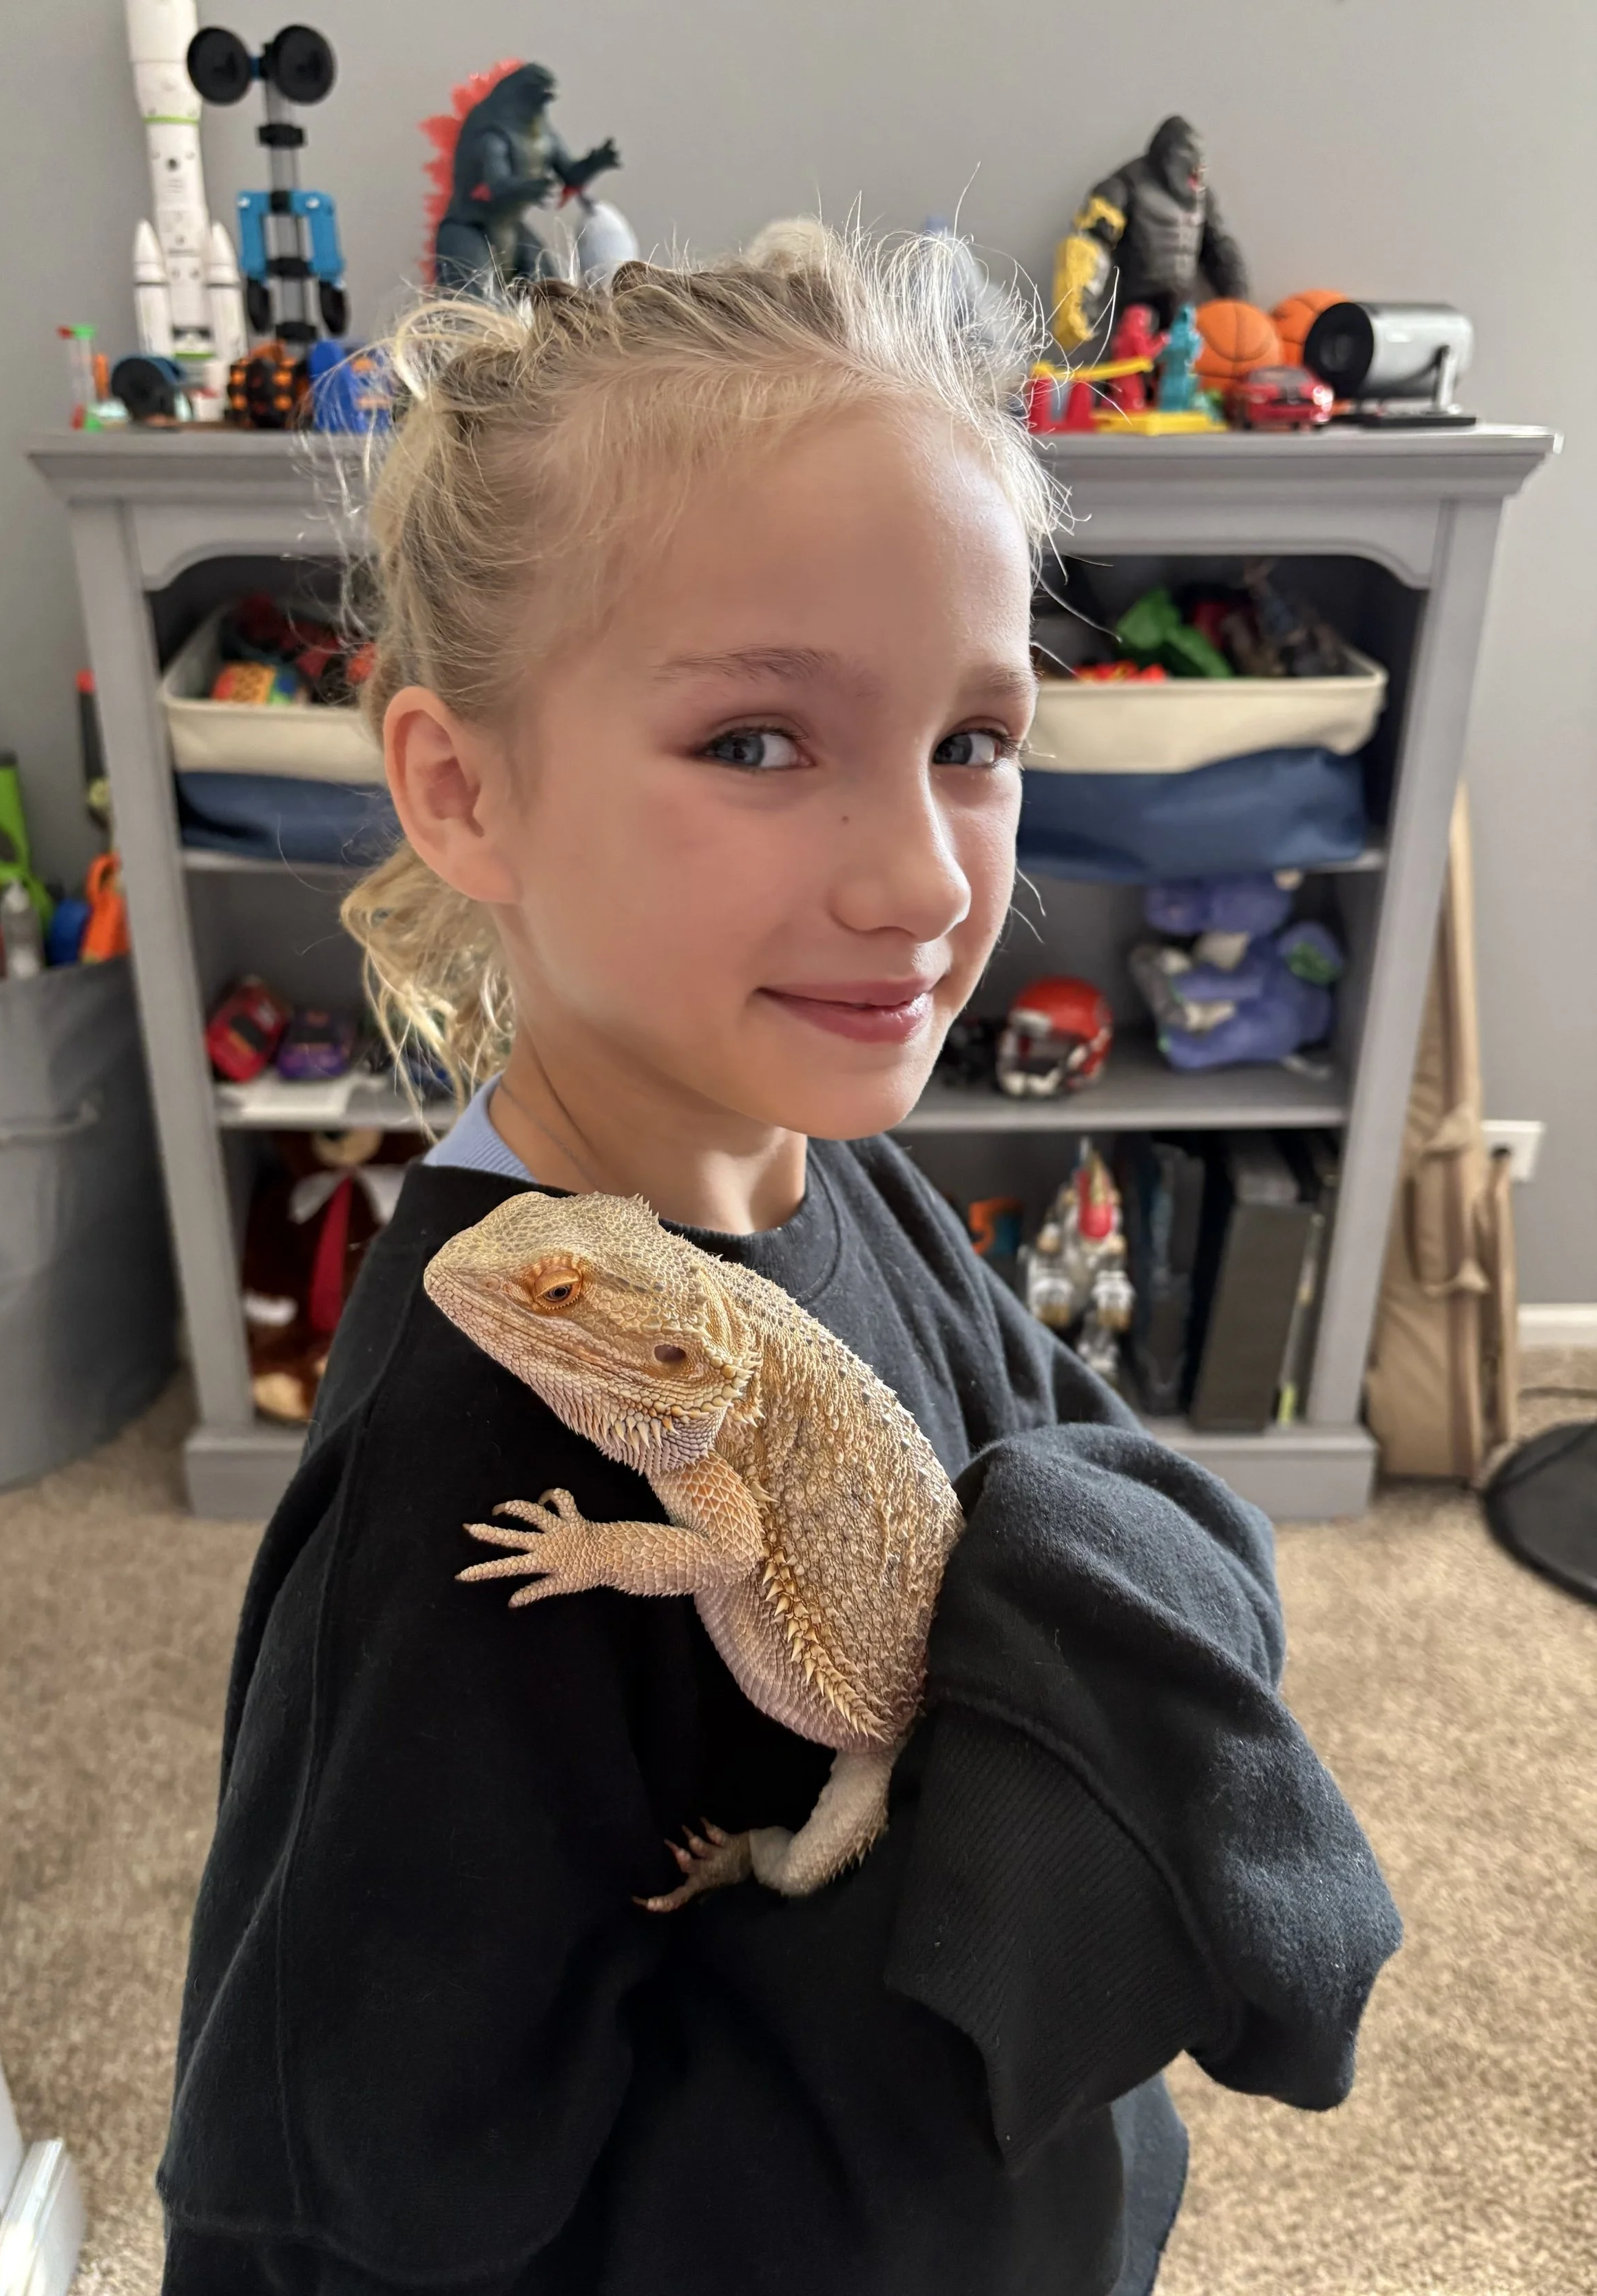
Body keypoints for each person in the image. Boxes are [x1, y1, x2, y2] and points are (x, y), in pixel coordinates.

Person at [159, 225, 1399, 2295]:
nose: (923, 877)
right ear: (461, 787)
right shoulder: (474, 1464)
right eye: (757, 741)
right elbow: (344, 2184)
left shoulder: (822, 1160)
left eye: (973, 740)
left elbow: (1110, 1495)